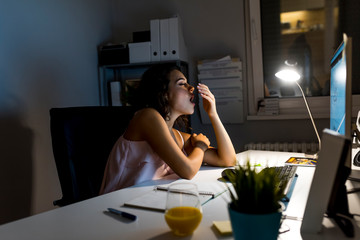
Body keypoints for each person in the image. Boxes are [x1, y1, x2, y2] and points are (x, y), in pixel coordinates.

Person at [99, 63, 236, 194]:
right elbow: (188, 171)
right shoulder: (147, 117)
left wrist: (213, 114)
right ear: (163, 93)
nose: (191, 88)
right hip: (114, 207)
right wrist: (200, 146)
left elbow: (228, 160)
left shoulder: (179, 136)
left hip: (146, 203)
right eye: (182, 83)